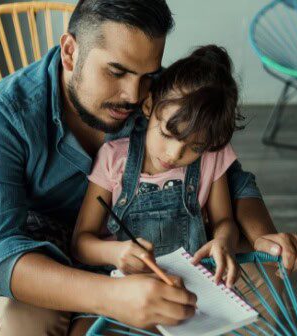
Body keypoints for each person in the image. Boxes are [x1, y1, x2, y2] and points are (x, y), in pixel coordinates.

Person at [0, 1, 297, 335]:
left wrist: (263, 237)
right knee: (19, 321)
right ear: (70, 52)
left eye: (146, 76)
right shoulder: (2, 117)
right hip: (57, 259)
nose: (133, 95)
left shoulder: (161, 97)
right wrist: (113, 296)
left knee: (265, 273)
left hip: (169, 255)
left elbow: (232, 179)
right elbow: (0, 257)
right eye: (117, 72)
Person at [70, 45, 245, 334]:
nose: (175, 154)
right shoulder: (114, 158)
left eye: (195, 147)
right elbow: (80, 243)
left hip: (188, 295)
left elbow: (224, 220)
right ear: (150, 106)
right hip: (122, 292)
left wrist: (223, 240)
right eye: (168, 133)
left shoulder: (212, 158)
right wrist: (114, 253)